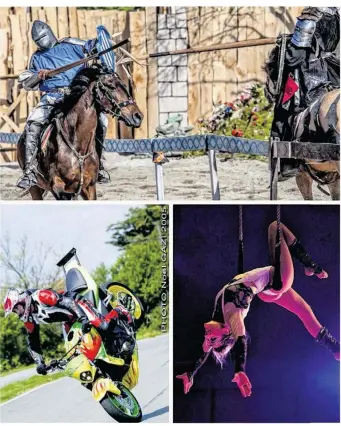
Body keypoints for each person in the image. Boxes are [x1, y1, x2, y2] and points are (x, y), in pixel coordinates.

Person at [176, 221, 340, 398]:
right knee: (274, 227)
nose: (207, 335)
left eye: (208, 339)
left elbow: (205, 351)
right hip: (277, 281)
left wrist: (191, 373)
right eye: (213, 338)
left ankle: (336, 349)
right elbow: (241, 341)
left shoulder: (218, 316)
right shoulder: (233, 317)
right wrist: (239, 370)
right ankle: (311, 266)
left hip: (265, 291)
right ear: (226, 330)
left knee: (304, 311)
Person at [17, 20, 110, 190]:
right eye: (38, 40)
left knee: (102, 120)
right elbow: (26, 83)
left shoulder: (70, 44)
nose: (42, 41)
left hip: (78, 95)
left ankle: (99, 165)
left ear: (50, 32)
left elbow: (92, 46)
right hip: (53, 97)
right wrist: (39, 75)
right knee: (33, 123)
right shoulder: (37, 58)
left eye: (43, 37)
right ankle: (30, 171)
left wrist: (100, 46)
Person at [265, 7, 340, 177]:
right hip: (336, 74)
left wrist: (288, 44)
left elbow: (294, 57)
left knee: (283, 113)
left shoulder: (312, 15)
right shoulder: (337, 13)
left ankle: (287, 164)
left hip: (312, 77)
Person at [3, 287, 131, 375]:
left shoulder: (41, 296)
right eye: (15, 312)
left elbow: (68, 303)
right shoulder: (29, 319)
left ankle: (120, 310)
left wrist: (83, 317)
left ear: (23, 300)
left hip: (78, 304)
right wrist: (40, 363)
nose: (18, 313)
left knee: (102, 325)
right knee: (74, 353)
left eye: (17, 309)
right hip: (70, 321)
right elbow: (33, 341)